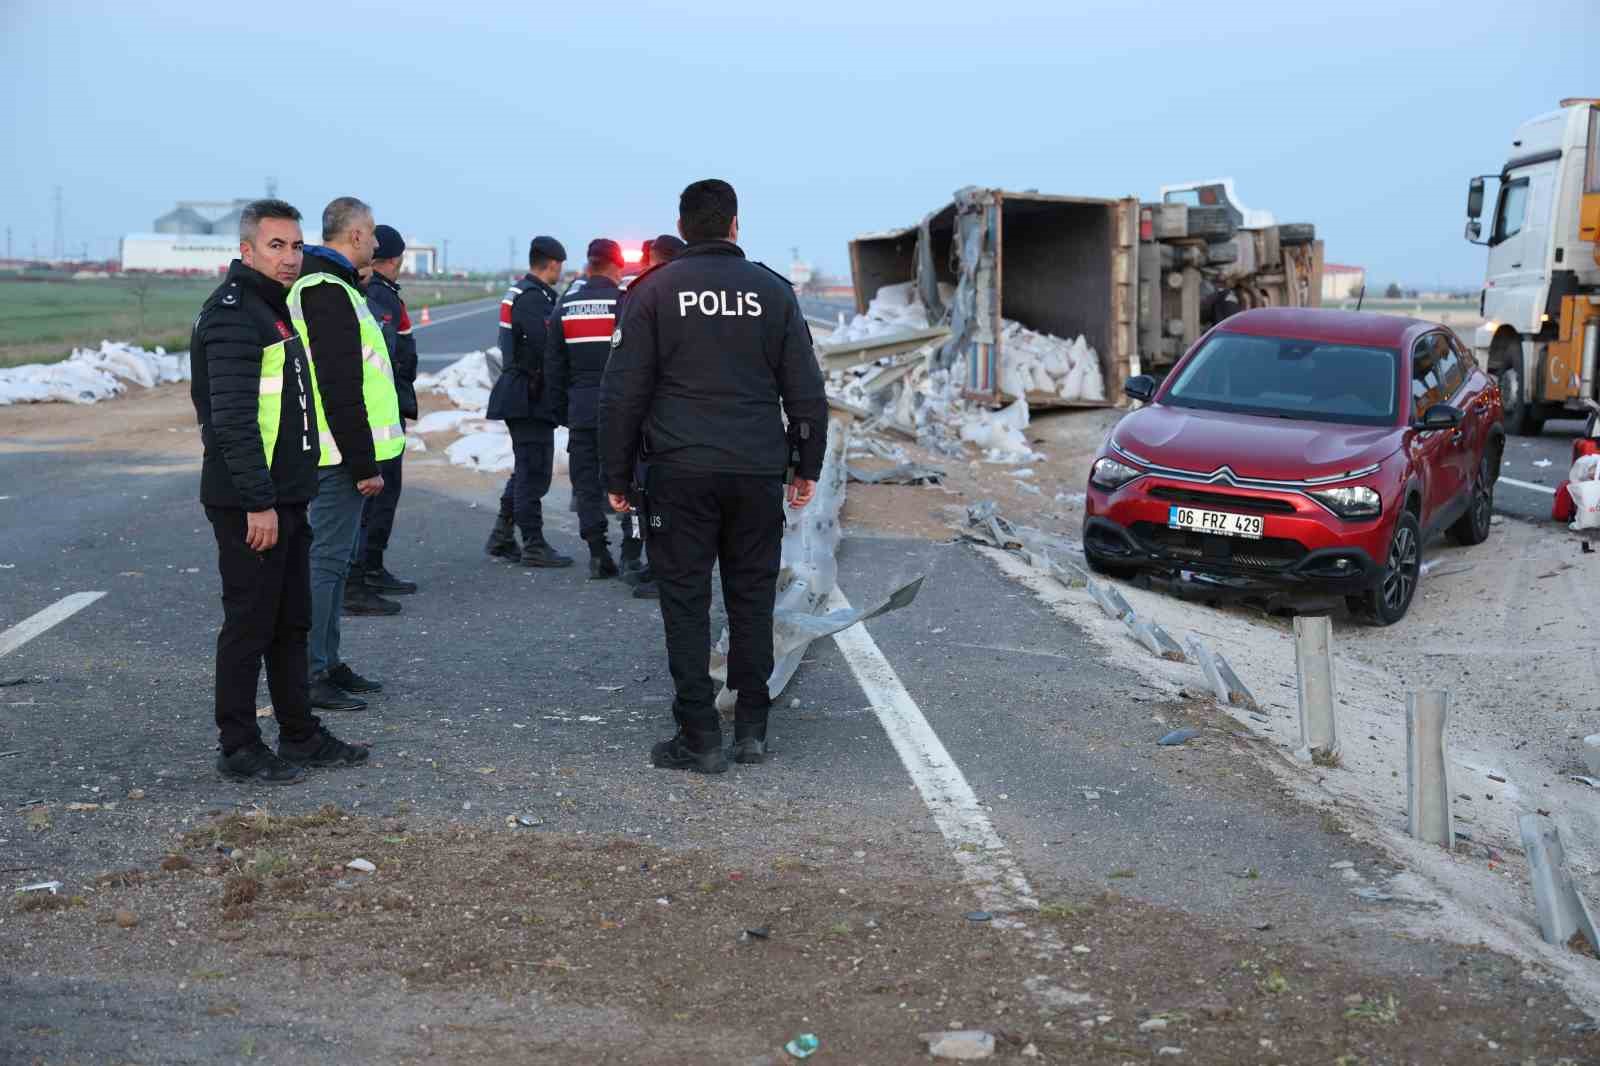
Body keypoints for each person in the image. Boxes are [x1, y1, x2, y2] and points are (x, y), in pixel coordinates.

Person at [599, 179, 826, 773]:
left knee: (685, 601)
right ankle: (752, 728)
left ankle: (698, 734)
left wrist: (616, 474)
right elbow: (805, 388)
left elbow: (622, 392)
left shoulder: (653, 290)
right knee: (751, 600)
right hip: (754, 470)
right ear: (733, 225)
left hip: (678, 472)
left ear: (684, 224)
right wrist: (808, 464)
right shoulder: (773, 292)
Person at [190, 198, 369, 783]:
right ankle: (238, 746)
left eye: (295, 246)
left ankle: (300, 735)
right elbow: (233, 423)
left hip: (287, 496)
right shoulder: (233, 316)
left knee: (291, 623)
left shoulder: (276, 311)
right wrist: (259, 502)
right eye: (276, 246)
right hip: (251, 503)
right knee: (249, 626)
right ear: (245, 250)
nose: (290, 257)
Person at [288, 196, 406, 712]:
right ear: (356, 235)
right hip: (337, 456)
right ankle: (311, 673)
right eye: (374, 233)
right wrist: (363, 464)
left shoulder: (334, 286)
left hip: (342, 452)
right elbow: (339, 385)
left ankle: (327, 664)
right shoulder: (325, 290)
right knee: (326, 563)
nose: (378, 244)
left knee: (332, 565)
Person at [484, 236, 574, 567]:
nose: (561, 273)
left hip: (523, 392)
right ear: (552, 263)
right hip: (528, 394)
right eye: (560, 266)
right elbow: (546, 346)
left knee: (525, 469)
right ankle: (533, 544)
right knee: (534, 473)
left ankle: (501, 536)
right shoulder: (534, 298)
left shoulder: (522, 291)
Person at [547, 238, 626, 579]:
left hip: (581, 409)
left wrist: (562, 411)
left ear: (589, 263)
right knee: (629, 480)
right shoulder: (625, 303)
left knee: (585, 483)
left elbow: (553, 367)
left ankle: (597, 552)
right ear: (615, 265)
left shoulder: (565, 305)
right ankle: (633, 555)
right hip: (622, 411)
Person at [613, 233, 686, 598]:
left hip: (663, 415)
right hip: (659, 415)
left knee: (665, 500)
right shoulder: (653, 293)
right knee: (651, 498)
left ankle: (665, 574)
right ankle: (656, 567)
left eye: (649, 262)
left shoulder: (657, 296)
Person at [354, 223, 420, 596]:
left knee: (380, 494)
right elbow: (389, 355)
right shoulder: (379, 297)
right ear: (393, 260)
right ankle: (365, 570)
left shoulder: (378, 293)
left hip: (385, 405)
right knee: (379, 493)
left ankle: (370, 566)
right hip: (380, 410)